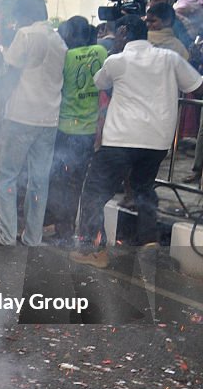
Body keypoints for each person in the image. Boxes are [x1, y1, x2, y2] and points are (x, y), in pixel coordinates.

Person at [71, 15, 202, 268]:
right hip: (157, 141)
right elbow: (196, 85)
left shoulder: (117, 60)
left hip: (121, 139)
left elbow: (100, 81)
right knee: (143, 188)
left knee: (94, 193)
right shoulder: (169, 58)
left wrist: (117, 52)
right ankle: (149, 241)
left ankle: (93, 250)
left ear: (122, 33)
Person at [0, 0, 67, 247]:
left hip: (21, 116)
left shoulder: (26, 35)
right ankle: (33, 238)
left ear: (24, 14)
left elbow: (11, 75)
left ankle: (6, 235)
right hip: (48, 119)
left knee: (5, 176)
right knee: (38, 181)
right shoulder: (58, 40)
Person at [44, 16, 106, 246]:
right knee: (78, 181)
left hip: (65, 128)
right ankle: (75, 232)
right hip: (89, 131)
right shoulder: (100, 51)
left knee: (60, 182)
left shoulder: (66, 56)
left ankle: (63, 231)